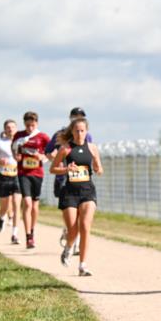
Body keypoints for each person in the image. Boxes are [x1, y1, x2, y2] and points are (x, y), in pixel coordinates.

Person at [50, 117, 103, 276]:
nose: (79, 133)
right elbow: (52, 169)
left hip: (87, 191)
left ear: (86, 131)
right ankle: (68, 248)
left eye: (82, 130)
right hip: (70, 192)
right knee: (73, 230)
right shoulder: (65, 149)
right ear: (72, 132)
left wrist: (98, 167)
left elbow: (99, 169)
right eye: (76, 131)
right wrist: (67, 169)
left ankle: (82, 265)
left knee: (85, 226)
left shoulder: (92, 148)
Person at [46, 107, 92, 254]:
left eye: (81, 116)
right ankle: (68, 228)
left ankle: (76, 243)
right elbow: (48, 152)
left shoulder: (88, 136)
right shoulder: (59, 134)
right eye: (75, 116)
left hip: (82, 181)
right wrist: (59, 161)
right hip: (63, 179)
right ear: (70, 118)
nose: (78, 118)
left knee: (81, 215)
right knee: (69, 210)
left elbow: (89, 153)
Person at [11, 111, 51, 249]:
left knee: (34, 206)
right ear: (24, 124)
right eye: (27, 125)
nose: (30, 128)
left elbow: (51, 153)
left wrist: (43, 158)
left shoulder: (43, 137)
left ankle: (32, 230)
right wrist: (16, 157)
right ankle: (28, 236)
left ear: (37, 124)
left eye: (32, 125)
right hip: (23, 173)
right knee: (27, 203)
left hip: (38, 173)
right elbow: (13, 149)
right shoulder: (19, 136)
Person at [0, 120, 22, 243]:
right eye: (8, 127)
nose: (10, 129)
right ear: (4, 129)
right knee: (5, 205)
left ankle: (15, 234)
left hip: (18, 175)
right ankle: (2, 218)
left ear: (16, 128)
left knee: (16, 204)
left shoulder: (22, 142)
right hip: (4, 175)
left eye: (13, 127)